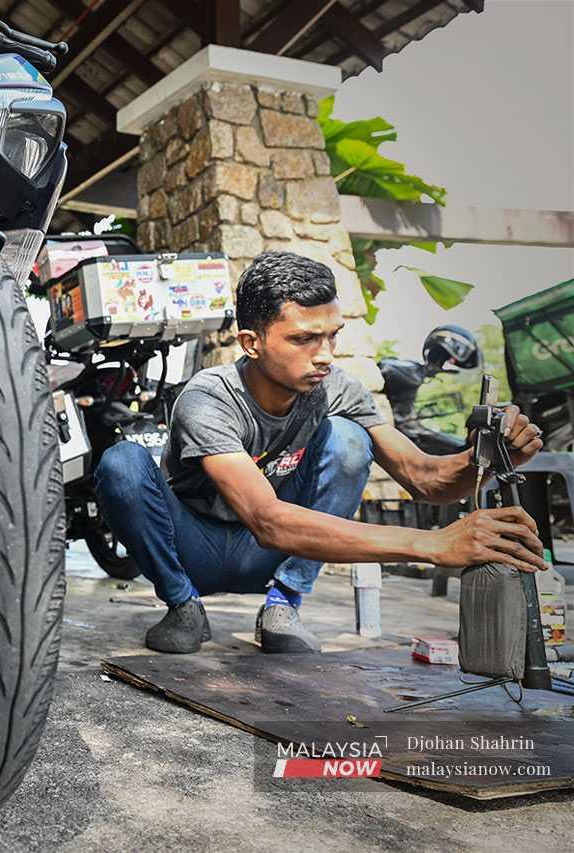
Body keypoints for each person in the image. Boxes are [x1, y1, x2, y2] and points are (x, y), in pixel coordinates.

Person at [94, 251, 547, 655]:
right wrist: (430, 545)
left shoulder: (336, 388)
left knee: (351, 438)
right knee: (122, 465)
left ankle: (284, 605)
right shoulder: (208, 398)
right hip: (198, 549)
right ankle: (182, 604)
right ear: (252, 343)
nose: (325, 355)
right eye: (304, 339)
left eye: (331, 336)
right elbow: (268, 520)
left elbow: (423, 477)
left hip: (269, 555)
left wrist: (491, 456)